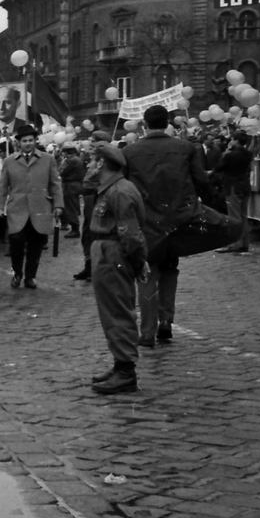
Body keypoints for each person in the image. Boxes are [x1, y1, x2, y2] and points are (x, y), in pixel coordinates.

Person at [122, 105, 207, 346]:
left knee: (147, 274)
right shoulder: (185, 148)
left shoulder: (130, 151)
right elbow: (201, 180)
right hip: (175, 221)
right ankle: (166, 322)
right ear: (168, 123)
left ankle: (147, 332)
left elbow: (125, 187)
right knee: (170, 270)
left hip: (145, 221)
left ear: (144, 125)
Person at [84, 143, 147, 395]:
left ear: (101, 163)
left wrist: (139, 261)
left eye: (91, 160)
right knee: (111, 311)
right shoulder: (111, 188)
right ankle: (120, 363)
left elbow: (130, 234)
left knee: (118, 311)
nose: (87, 165)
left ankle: (125, 371)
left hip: (114, 253)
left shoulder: (119, 191)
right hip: (107, 251)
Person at [0, 124, 62, 289]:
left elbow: (55, 184)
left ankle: (30, 277)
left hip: (40, 208)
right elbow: (3, 186)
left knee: (36, 244)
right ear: (18, 143)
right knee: (16, 241)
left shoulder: (48, 159)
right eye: (24, 140)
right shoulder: (10, 161)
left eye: (31, 140)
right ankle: (17, 273)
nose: (28, 143)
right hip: (17, 209)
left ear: (35, 140)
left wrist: (58, 205)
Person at [213, 132, 255, 254]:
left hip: (232, 186)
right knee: (243, 215)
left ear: (236, 140)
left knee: (234, 216)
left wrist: (226, 153)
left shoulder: (230, 155)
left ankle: (235, 243)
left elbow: (219, 168)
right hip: (244, 186)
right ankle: (244, 243)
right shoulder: (248, 154)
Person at [58, 143, 85, 237]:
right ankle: (74, 227)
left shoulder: (71, 161)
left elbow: (62, 171)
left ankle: (75, 229)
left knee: (70, 207)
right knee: (74, 205)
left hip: (70, 184)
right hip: (76, 184)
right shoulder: (77, 159)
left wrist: (62, 164)